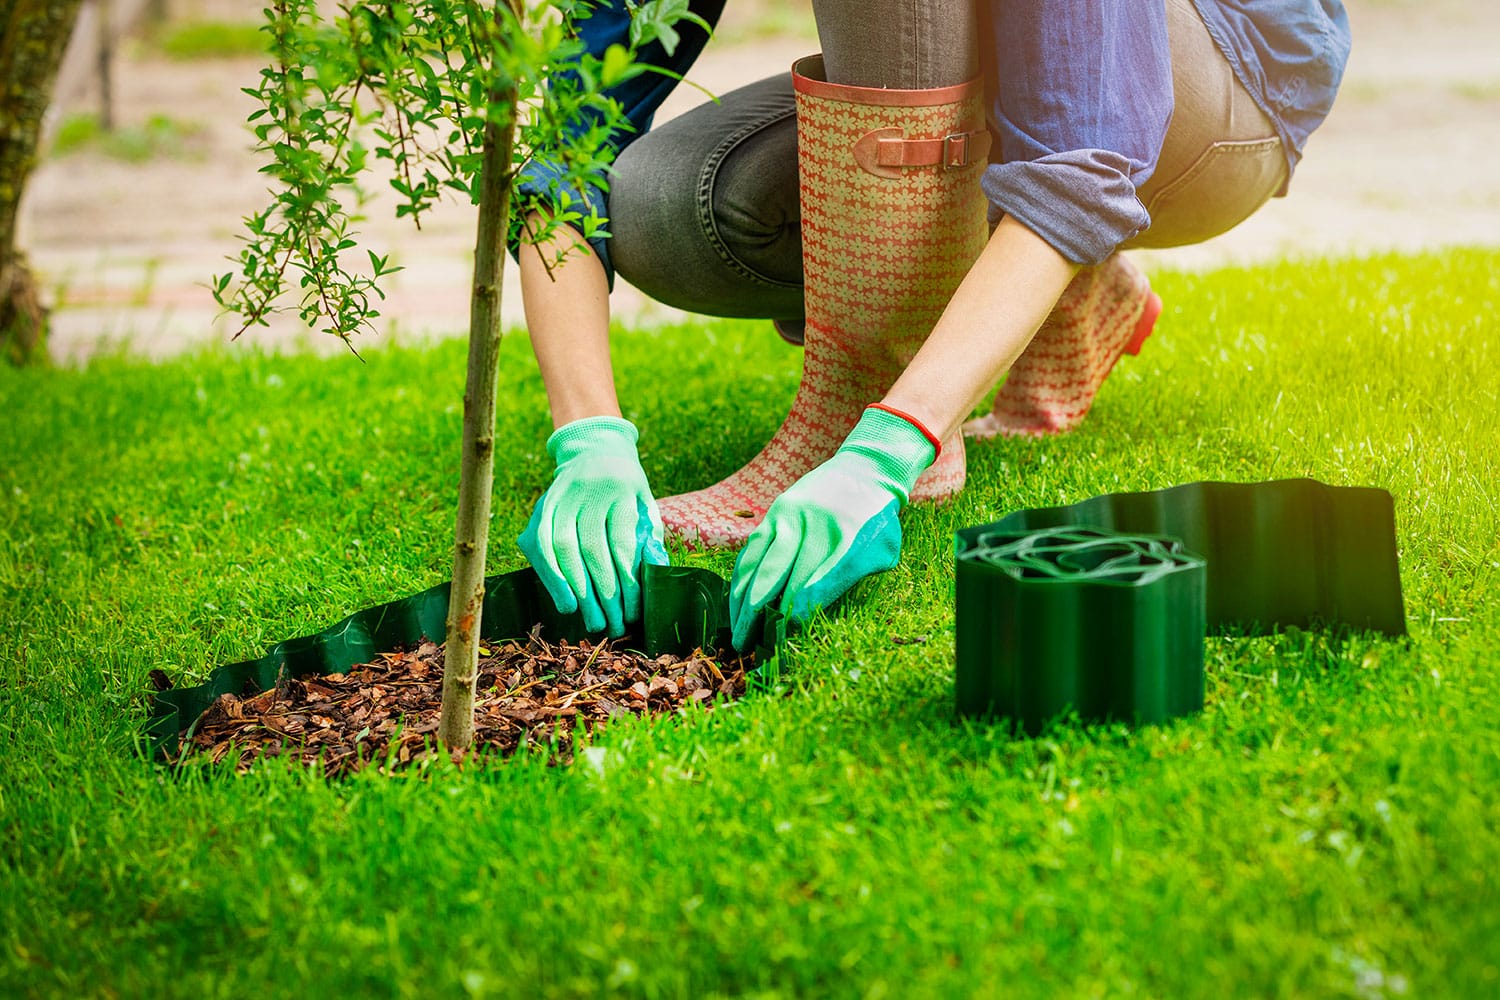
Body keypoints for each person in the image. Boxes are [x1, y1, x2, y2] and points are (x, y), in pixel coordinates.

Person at [513, 0, 1352, 648]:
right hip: (1018, 94)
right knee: (664, 203)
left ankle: (871, 392)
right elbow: (572, 147)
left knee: (1051, 141)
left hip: (1221, 90)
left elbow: (1085, 151)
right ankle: (1057, 288)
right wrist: (586, 435)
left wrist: (884, 450)